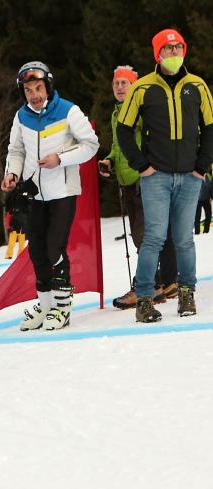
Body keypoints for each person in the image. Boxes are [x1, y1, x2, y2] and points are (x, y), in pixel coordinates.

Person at [117, 29, 213, 322]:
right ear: (157, 54)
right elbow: (123, 129)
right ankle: (145, 298)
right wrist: (141, 165)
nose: (174, 53)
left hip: (189, 176)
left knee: (184, 239)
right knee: (154, 238)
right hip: (155, 176)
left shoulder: (197, 85)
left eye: (178, 47)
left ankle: (186, 293)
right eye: (168, 49)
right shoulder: (143, 88)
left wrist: (202, 166)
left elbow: (210, 127)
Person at [1, 61, 99, 331]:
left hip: (63, 191)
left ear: (48, 87)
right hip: (34, 194)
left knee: (55, 247)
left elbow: (91, 145)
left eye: (39, 88)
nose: (34, 95)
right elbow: (16, 150)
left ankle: (62, 306)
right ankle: (45, 305)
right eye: (29, 90)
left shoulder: (69, 110)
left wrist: (61, 158)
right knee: (37, 251)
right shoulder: (21, 117)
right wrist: (12, 173)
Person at [98, 66, 178, 309]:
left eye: (125, 83)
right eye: (116, 83)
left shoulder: (143, 111)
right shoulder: (116, 115)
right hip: (127, 182)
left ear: (134, 86)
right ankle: (162, 283)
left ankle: (149, 287)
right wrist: (109, 160)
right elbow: (117, 145)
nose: (120, 87)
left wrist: (151, 169)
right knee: (139, 235)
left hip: (145, 180)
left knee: (146, 236)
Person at [4, 184, 29, 259]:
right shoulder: (12, 208)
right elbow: (8, 217)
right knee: (11, 243)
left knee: (22, 244)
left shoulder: (24, 208)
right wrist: (9, 227)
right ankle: (9, 255)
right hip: (14, 228)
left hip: (22, 228)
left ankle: (20, 256)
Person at [194, 170, 212, 235]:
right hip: (198, 200)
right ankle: (197, 231)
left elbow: (212, 185)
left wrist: (211, 195)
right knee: (197, 216)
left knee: (208, 215)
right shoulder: (196, 175)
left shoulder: (209, 176)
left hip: (207, 199)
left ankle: (206, 231)